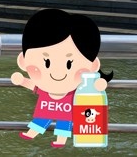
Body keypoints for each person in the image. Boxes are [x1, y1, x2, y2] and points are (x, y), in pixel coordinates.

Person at [11, 9, 112, 148]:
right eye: (46, 62)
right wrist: (22, 81)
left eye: (69, 63)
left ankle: (60, 141)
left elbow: (91, 88)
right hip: (46, 109)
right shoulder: (47, 88)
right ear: (23, 61)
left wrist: (99, 84)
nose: (58, 73)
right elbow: (33, 86)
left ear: (93, 65)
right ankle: (32, 133)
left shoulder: (76, 89)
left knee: (64, 125)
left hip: (65, 111)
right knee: (40, 121)